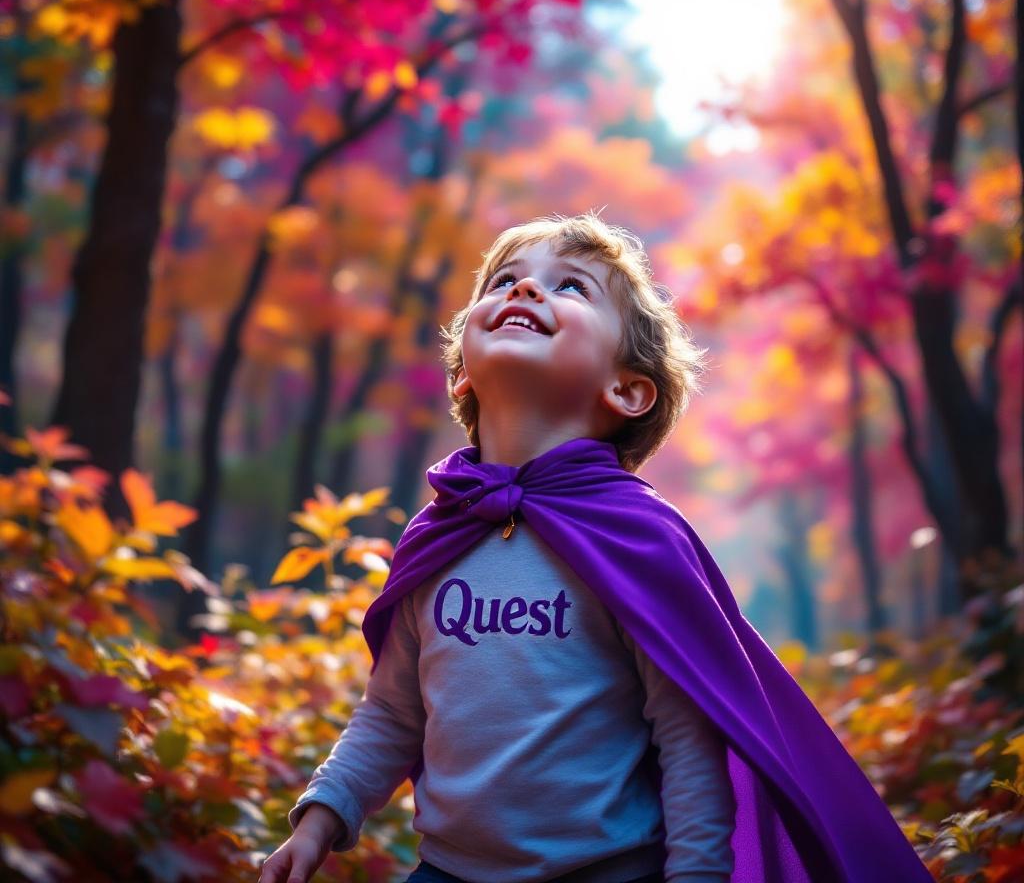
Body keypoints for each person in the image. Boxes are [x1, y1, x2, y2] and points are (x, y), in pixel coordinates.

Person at [259, 212, 933, 883]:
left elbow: (687, 741)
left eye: (571, 287)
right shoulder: (439, 531)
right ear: (462, 371)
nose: (522, 292)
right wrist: (320, 819)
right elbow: (392, 712)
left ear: (628, 389)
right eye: (503, 281)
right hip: (446, 872)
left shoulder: (638, 538)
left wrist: (695, 876)